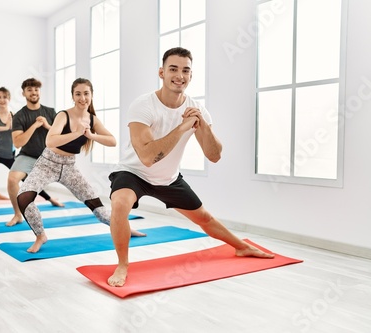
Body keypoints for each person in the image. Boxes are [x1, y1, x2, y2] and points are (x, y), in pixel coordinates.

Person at [106, 47, 275, 287]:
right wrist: (183, 127)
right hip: (134, 172)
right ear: (161, 72)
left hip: (168, 177)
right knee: (120, 204)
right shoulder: (143, 105)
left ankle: (242, 247)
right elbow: (146, 157)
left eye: (185, 70)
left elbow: (214, 156)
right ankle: (123, 265)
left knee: (204, 218)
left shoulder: (198, 109)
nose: (179, 75)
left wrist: (202, 125)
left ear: (191, 75)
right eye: (173, 69)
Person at [17, 78, 146, 253]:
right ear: (73, 96)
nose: (82, 98)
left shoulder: (92, 119)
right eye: (78, 94)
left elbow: (112, 141)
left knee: (99, 210)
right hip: (47, 164)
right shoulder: (64, 115)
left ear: (91, 95)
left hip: (69, 167)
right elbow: (50, 140)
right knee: (23, 197)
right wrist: (76, 133)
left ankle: (125, 229)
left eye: (86, 93)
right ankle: (40, 235)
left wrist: (92, 136)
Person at [0, 87, 62, 216]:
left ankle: (50, 199)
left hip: (9, 155)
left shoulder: (16, 116)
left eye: (5, 97)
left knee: (27, 179)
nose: (2, 100)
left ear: (9, 99)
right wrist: (5, 127)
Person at [6, 78, 63, 227]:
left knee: (76, 183)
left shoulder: (50, 112)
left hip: (48, 157)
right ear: (23, 93)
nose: (33, 92)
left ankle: (98, 211)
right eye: (30, 90)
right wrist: (35, 125)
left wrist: (46, 125)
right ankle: (18, 214)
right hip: (27, 155)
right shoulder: (19, 116)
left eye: (36, 89)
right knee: (12, 180)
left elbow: (60, 136)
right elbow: (17, 142)